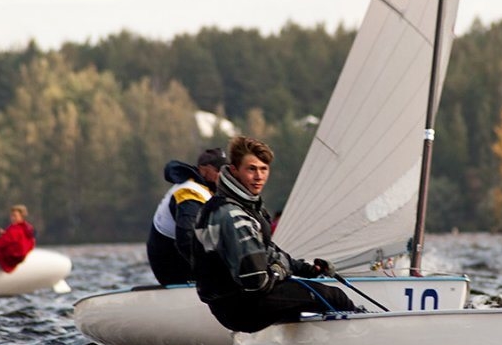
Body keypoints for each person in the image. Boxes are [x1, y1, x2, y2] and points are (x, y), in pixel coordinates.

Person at [192, 136, 358, 333]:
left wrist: (308, 269)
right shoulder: (233, 215)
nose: (259, 176)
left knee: (306, 301)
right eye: (251, 169)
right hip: (241, 307)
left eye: (264, 169)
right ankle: (362, 335)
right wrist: (281, 270)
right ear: (234, 170)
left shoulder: (237, 206)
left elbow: (269, 253)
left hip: (235, 303)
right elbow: (257, 281)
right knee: (333, 296)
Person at [147, 148, 226, 285]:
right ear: (203, 170)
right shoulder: (190, 193)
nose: (225, 175)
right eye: (220, 170)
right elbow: (186, 240)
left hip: (182, 253)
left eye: (227, 170)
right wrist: (210, 272)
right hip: (171, 259)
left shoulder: (209, 191)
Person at [0, 204, 36, 273]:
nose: (12, 218)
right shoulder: (27, 228)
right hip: (19, 257)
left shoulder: (15, 230)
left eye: (15, 216)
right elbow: (24, 241)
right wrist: (4, 234)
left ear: (21, 217)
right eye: (11, 216)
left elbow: (1, 243)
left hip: (9, 260)